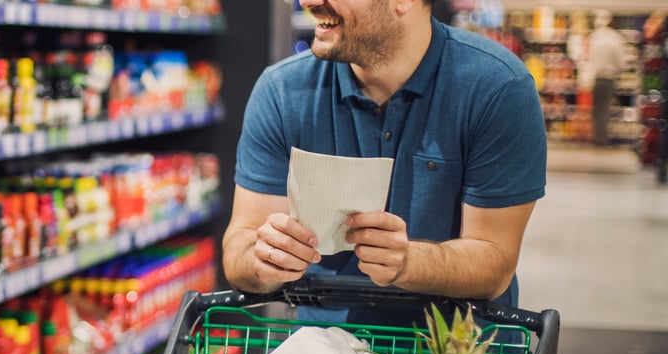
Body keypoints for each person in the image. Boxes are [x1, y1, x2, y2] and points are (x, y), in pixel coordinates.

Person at [222, 0, 547, 326]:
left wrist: (408, 261)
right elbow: (239, 249)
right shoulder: (282, 91)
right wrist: (263, 260)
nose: (308, 1)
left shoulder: (497, 88)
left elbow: (495, 262)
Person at [587, 9, 626, 146]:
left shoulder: (595, 37)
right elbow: (621, 62)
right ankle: (602, 138)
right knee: (605, 109)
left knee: (597, 109)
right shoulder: (616, 38)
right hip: (609, 78)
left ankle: (597, 137)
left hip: (597, 78)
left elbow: (590, 59)